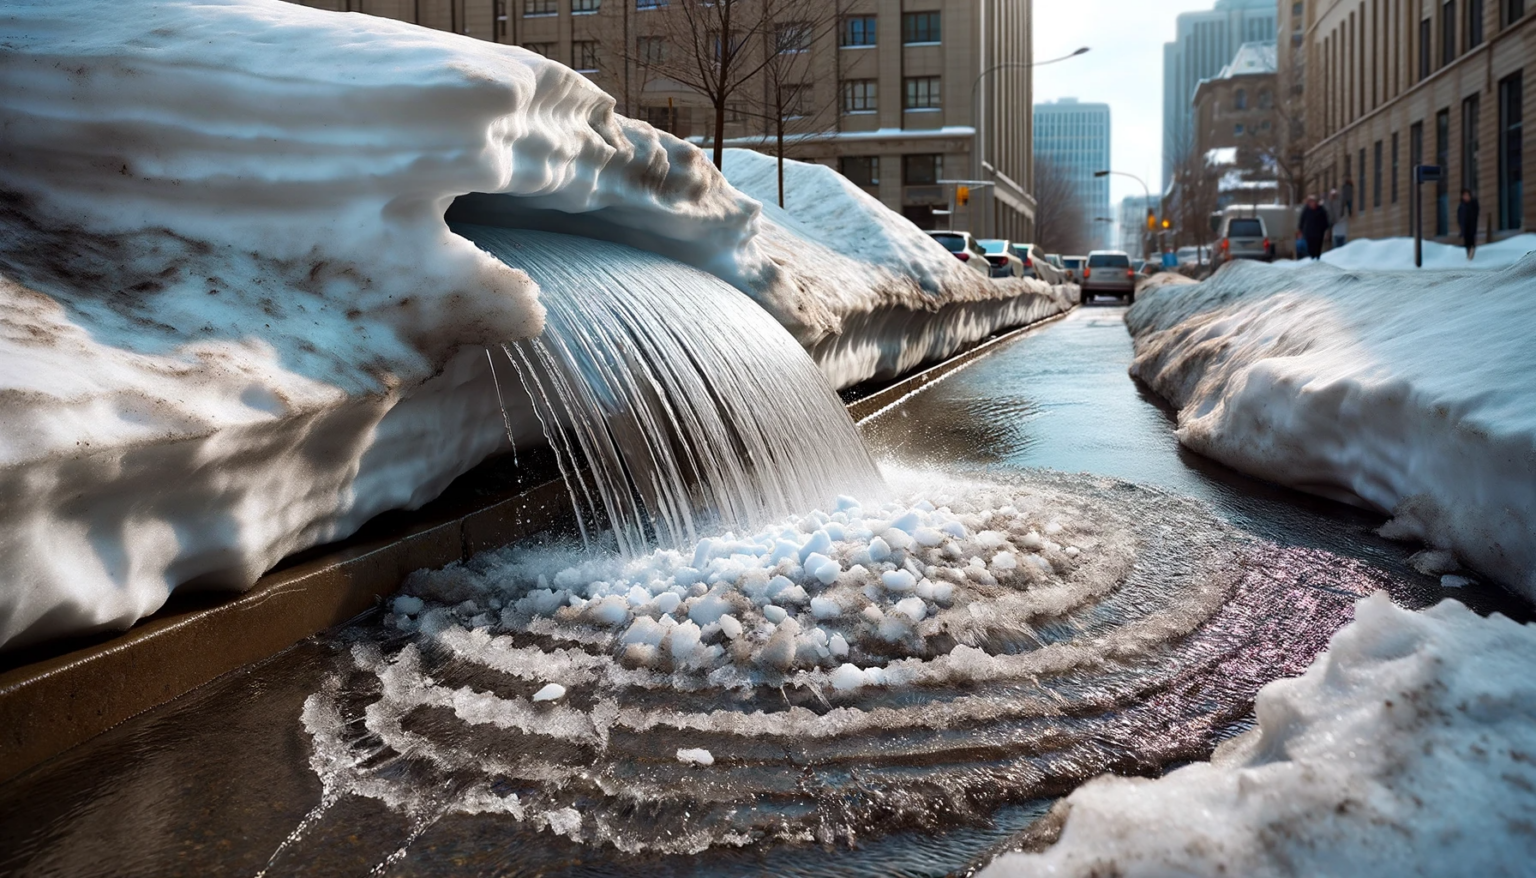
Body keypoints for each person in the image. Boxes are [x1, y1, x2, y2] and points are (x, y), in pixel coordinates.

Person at [1298, 194, 1330, 261]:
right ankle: (1312, 260)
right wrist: (1300, 230)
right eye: (1310, 202)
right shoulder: (1306, 209)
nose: (1311, 204)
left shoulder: (1321, 210)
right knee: (1310, 249)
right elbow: (1302, 220)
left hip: (1319, 233)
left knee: (1318, 249)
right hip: (1309, 233)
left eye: (1312, 202)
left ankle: (1317, 260)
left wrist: (1326, 230)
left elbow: (1325, 221)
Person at [1458, 189, 1480, 260]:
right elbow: (1459, 217)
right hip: (1465, 228)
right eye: (1464, 195)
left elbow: (1476, 213)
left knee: (1472, 242)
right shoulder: (1462, 206)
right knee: (1466, 243)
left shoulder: (1473, 204)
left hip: (1472, 227)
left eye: (1467, 195)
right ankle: (1468, 257)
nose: (1465, 197)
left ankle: (1472, 256)